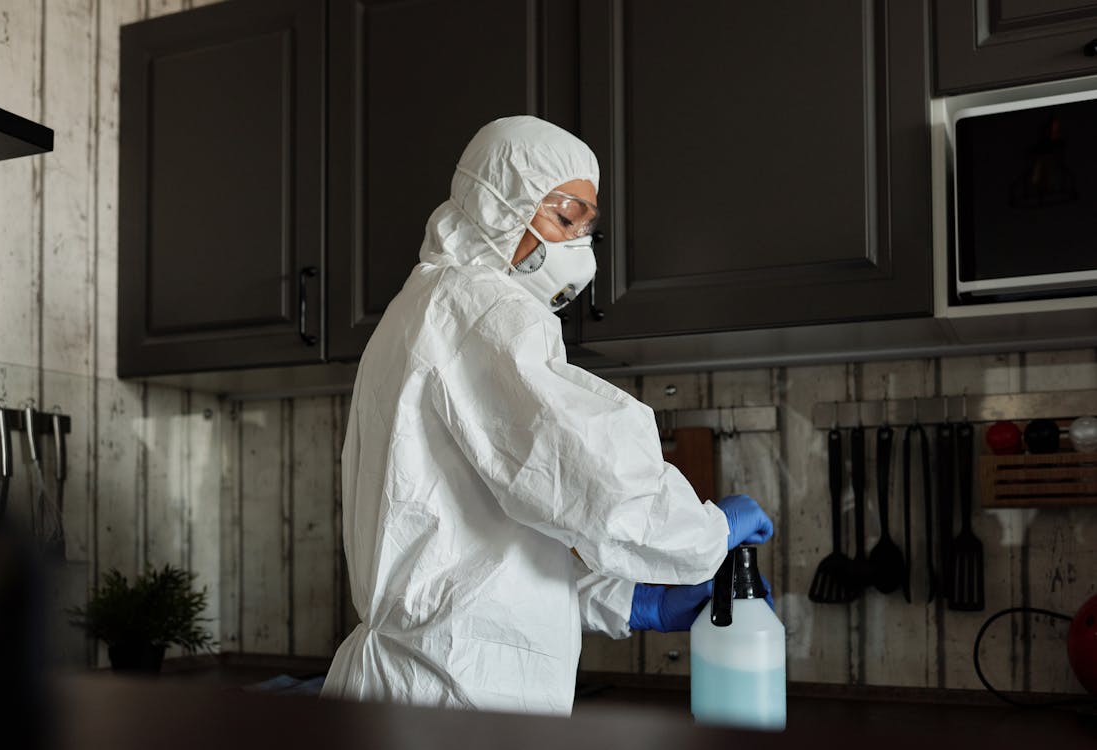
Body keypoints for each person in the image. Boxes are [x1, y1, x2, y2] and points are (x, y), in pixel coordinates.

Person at [321, 116, 773, 715]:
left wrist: (625, 600)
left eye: (587, 227)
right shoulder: (481, 308)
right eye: (564, 218)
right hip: (454, 696)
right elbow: (594, 472)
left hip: (427, 680)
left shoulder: (427, 308)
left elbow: (475, 551)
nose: (577, 248)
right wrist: (707, 533)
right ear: (496, 205)